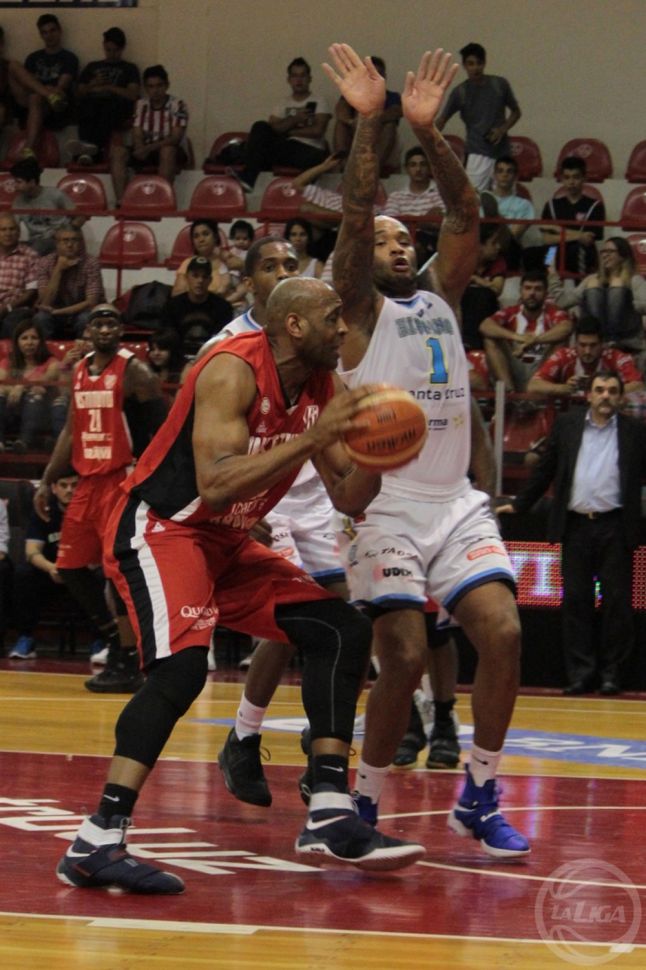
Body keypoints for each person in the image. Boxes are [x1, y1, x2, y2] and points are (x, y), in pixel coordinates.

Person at [56, 277, 426, 895]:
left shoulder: (322, 386)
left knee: (340, 628)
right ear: (295, 326)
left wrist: (379, 458)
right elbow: (217, 482)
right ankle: (97, 840)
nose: (344, 328)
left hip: (225, 541)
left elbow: (348, 497)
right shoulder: (230, 369)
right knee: (181, 670)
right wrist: (314, 438)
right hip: (163, 528)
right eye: (332, 317)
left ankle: (330, 809)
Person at [323, 43, 528, 858]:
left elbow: (465, 213)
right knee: (404, 655)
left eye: (404, 238)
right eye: (384, 241)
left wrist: (429, 131)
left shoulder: (442, 292)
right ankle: (364, 803)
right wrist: (369, 124)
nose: (399, 245)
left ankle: (479, 792)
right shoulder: (356, 313)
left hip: (453, 505)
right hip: (386, 510)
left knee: (503, 635)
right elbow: (353, 211)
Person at [34, 304, 167, 694]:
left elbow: (164, 430)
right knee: (70, 566)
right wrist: (47, 479)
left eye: (112, 323)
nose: (105, 329)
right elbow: (71, 431)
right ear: (88, 331)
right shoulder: (79, 370)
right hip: (86, 482)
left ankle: (129, 658)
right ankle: (116, 643)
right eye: (98, 323)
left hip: (120, 480)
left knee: (118, 571)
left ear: (121, 330)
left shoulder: (135, 372)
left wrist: (154, 479)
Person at [499, 372, 646, 696]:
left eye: (612, 391)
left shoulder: (635, 431)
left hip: (616, 526)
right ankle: (581, 673)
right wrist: (520, 504)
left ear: (620, 397)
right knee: (576, 601)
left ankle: (612, 675)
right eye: (600, 390)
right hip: (575, 525)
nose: (605, 395)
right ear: (588, 395)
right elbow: (546, 468)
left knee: (617, 604)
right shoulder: (567, 425)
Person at [7, 469, 101, 661]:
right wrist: (51, 568)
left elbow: (102, 550)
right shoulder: (44, 510)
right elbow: (31, 551)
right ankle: (26, 638)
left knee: (102, 576)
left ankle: (100, 642)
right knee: (24, 574)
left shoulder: (92, 510)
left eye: (74, 485)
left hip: (82, 573)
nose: (69, 490)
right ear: (54, 488)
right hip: (51, 573)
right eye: (63, 486)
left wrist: (80, 568)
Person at [232, 58, 332, 192]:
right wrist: (295, 120)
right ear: (289, 80)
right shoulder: (282, 103)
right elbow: (272, 129)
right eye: (295, 76)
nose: (299, 80)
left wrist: (287, 131)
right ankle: (248, 179)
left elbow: (317, 131)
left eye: (303, 75)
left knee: (313, 156)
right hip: (285, 149)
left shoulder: (319, 101)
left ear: (309, 79)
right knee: (260, 126)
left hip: (308, 151)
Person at [436, 42, 521, 192]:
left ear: (484, 63)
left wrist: (502, 130)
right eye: (471, 64)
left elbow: (516, 112)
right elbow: (442, 120)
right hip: (476, 153)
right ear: (464, 65)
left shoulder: (500, 85)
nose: (475, 68)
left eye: (479, 63)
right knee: (474, 198)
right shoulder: (460, 92)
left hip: (502, 152)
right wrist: (429, 139)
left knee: (506, 198)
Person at [479, 269, 572, 391]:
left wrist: (535, 340)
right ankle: (509, 392)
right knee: (490, 339)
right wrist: (518, 337)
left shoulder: (553, 312)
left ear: (546, 293)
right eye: (528, 288)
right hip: (515, 364)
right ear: (521, 291)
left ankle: (540, 387)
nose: (532, 293)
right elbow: (485, 326)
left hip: (542, 365)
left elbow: (566, 327)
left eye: (538, 289)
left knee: (561, 339)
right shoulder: (511, 312)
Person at [548, 236, 646, 350]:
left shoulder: (634, 280)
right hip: (596, 342)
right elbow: (562, 302)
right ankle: (601, 340)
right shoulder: (592, 279)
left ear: (622, 255)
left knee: (617, 283)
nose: (605, 255)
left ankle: (610, 341)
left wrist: (628, 303)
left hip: (625, 340)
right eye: (603, 251)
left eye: (610, 251)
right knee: (593, 283)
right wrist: (552, 274)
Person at [110, 65, 188, 204]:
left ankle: (162, 201)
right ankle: (122, 202)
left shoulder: (178, 105)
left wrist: (148, 148)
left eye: (159, 85)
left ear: (167, 85)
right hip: (147, 149)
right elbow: (137, 131)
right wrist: (140, 147)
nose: (155, 90)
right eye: (151, 86)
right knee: (118, 152)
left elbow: (175, 138)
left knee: (167, 151)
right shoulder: (141, 104)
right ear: (146, 88)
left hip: (171, 150)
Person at [9, 14, 78, 159]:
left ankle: (28, 149)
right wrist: (45, 91)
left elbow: (62, 86)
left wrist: (47, 91)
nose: (49, 35)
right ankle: (48, 95)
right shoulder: (33, 58)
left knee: (38, 97)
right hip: (36, 97)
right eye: (44, 32)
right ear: (41, 35)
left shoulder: (69, 57)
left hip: (56, 102)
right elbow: (28, 83)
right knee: (13, 65)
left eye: (52, 30)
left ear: (59, 31)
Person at [69, 26, 140, 165]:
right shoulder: (92, 66)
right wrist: (93, 84)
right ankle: (89, 151)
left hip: (117, 107)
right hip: (92, 104)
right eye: (108, 50)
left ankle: (89, 151)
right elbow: (79, 93)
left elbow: (132, 94)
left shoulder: (130, 68)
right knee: (87, 106)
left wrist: (108, 87)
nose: (111, 54)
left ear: (122, 48)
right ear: (103, 46)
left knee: (106, 107)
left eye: (115, 50)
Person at [527, 315, 644, 398]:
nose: (587, 351)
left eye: (593, 345)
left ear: (602, 344)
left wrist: (602, 389)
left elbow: (639, 386)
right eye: (582, 345)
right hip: (569, 415)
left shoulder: (616, 357)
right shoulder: (563, 356)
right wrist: (563, 388)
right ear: (575, 343)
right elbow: (533, 385)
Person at [0, 314, 65, 453]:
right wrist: (13, 390)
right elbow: (1, 383)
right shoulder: (7, 362)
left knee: (35, 394)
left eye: (34, 338)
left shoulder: (51, 362)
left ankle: (24, 442)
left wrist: (21, 386)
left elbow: (46, 379)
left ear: (40, 342)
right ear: (17, 342)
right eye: (24, 338)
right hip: (11, 410)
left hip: (39, 414)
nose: (29, 342)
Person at [333, 56, 402, 174]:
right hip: (355, 134)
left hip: (378, 137)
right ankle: (343, 164)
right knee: (340, 124)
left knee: (390, 125)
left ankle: (373, 169)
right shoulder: (352, 94)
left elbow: (395, 112)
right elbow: (340, 110)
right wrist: (351, 122)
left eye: (377, 74)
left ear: (384, 77)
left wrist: (367, 123)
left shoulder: (392, 96)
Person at [34, 226, 105, 338]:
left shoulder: (91, 263)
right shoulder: (45, 262)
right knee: (41, 318)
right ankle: (44, 349)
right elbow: (45, 303)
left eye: (74, 240)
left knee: (85, 319)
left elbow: (91, 302)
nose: (70, 244)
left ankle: (84, 348)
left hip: (80, 312)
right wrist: (58, 269)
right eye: (65, 240)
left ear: (80, 243)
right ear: (57, 244)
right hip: (54, 312)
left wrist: (59, 311)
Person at [541, 157, 605, 277]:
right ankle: (547, 284)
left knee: (576, 250)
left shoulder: (595, 206)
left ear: (584, 178)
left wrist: (558, 229)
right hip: (555, 250)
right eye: (567, 177)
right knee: (535, 253)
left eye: (576, 177)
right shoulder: (551, 205)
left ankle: (578, 284)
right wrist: (578, 236)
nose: (571, 182)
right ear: (562, 179)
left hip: (580, 250)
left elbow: (588, 239)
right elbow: (547, 239)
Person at [10, 157, 84, 257]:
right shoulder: (18, 201)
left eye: (18, 182)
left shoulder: (55, 195)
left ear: (32, 182)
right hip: (35, 241)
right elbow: (13, 226)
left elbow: (80, 217)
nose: (15, 186)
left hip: (57, 239)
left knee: (31, 252)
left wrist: (67, 232)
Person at [162, 256, 233, 358]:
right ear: (187, 278)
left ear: (210, 280)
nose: (200, 281)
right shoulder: (172, 306)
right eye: (195, 276)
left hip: (211, 358)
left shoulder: (223, 307)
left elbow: (223, 341)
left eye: (204, 277)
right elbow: (167, 340)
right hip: (179, 359)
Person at [461, 222, 507, 351]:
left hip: (486, 311)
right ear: (479, 245)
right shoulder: (461, 260)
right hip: (462, 308)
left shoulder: (498, 262)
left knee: (484, 295)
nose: (498, 247)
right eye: (493, 243)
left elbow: (496, 289)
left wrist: (475, 279)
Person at [171, 220, 235, 300]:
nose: (201, 240)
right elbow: (177, 295)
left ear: (215, 237)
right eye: (196, 236)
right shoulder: (188, 263)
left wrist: (222, 253)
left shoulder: (227, 260)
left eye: (206, 234)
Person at [0, 212, 39, 337]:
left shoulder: (30, 255)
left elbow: (31, 292)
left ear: (18, 232)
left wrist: (7, 307)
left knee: (12, 321)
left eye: (12, 229)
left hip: (16, 307)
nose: (8, 233)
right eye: (3, 229)